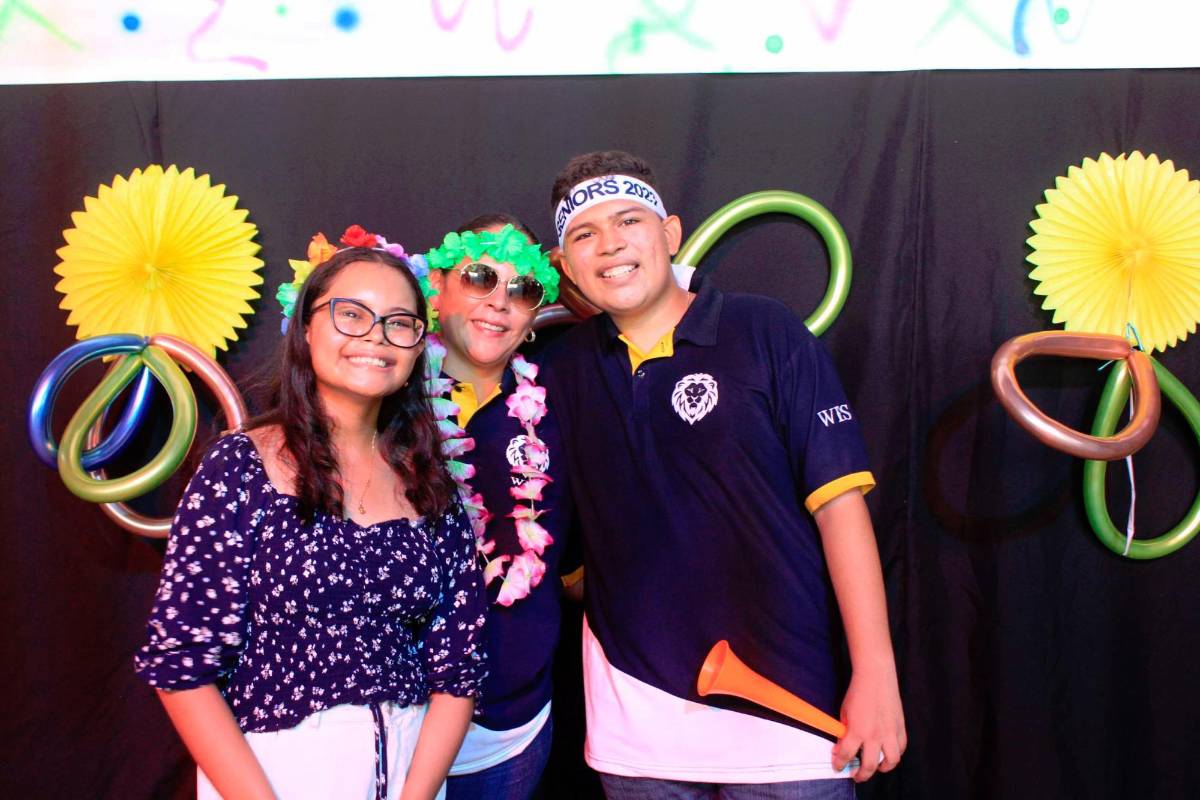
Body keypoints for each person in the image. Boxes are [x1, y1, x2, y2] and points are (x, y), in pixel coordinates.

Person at [542, 151, 906, 798]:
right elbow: (557, 533)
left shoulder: (765, 330)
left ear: (670, 233)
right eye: (585, 233)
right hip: (636, 731)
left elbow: (839, 507)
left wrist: (876, 673)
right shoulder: (560, 371)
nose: (611, 244)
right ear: (566, 265)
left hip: (788, 719)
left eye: (629, 220)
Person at [134, 227, 487, 800]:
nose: (376, 337)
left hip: (411, 771)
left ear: (418, 346)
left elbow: (459, 667)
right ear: (306, 327)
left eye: (399, 322)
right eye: (351, 314)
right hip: (273, 773)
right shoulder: (240, 468)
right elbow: (181, 665)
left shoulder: (430, 483)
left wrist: (417, 795)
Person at [416, 214, 574, 799]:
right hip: (398, 717)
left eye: (522, 288)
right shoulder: (384, 393)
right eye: (480, 277)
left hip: (512, 725)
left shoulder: (558, 404)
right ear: (436, 285)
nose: (500, 302)